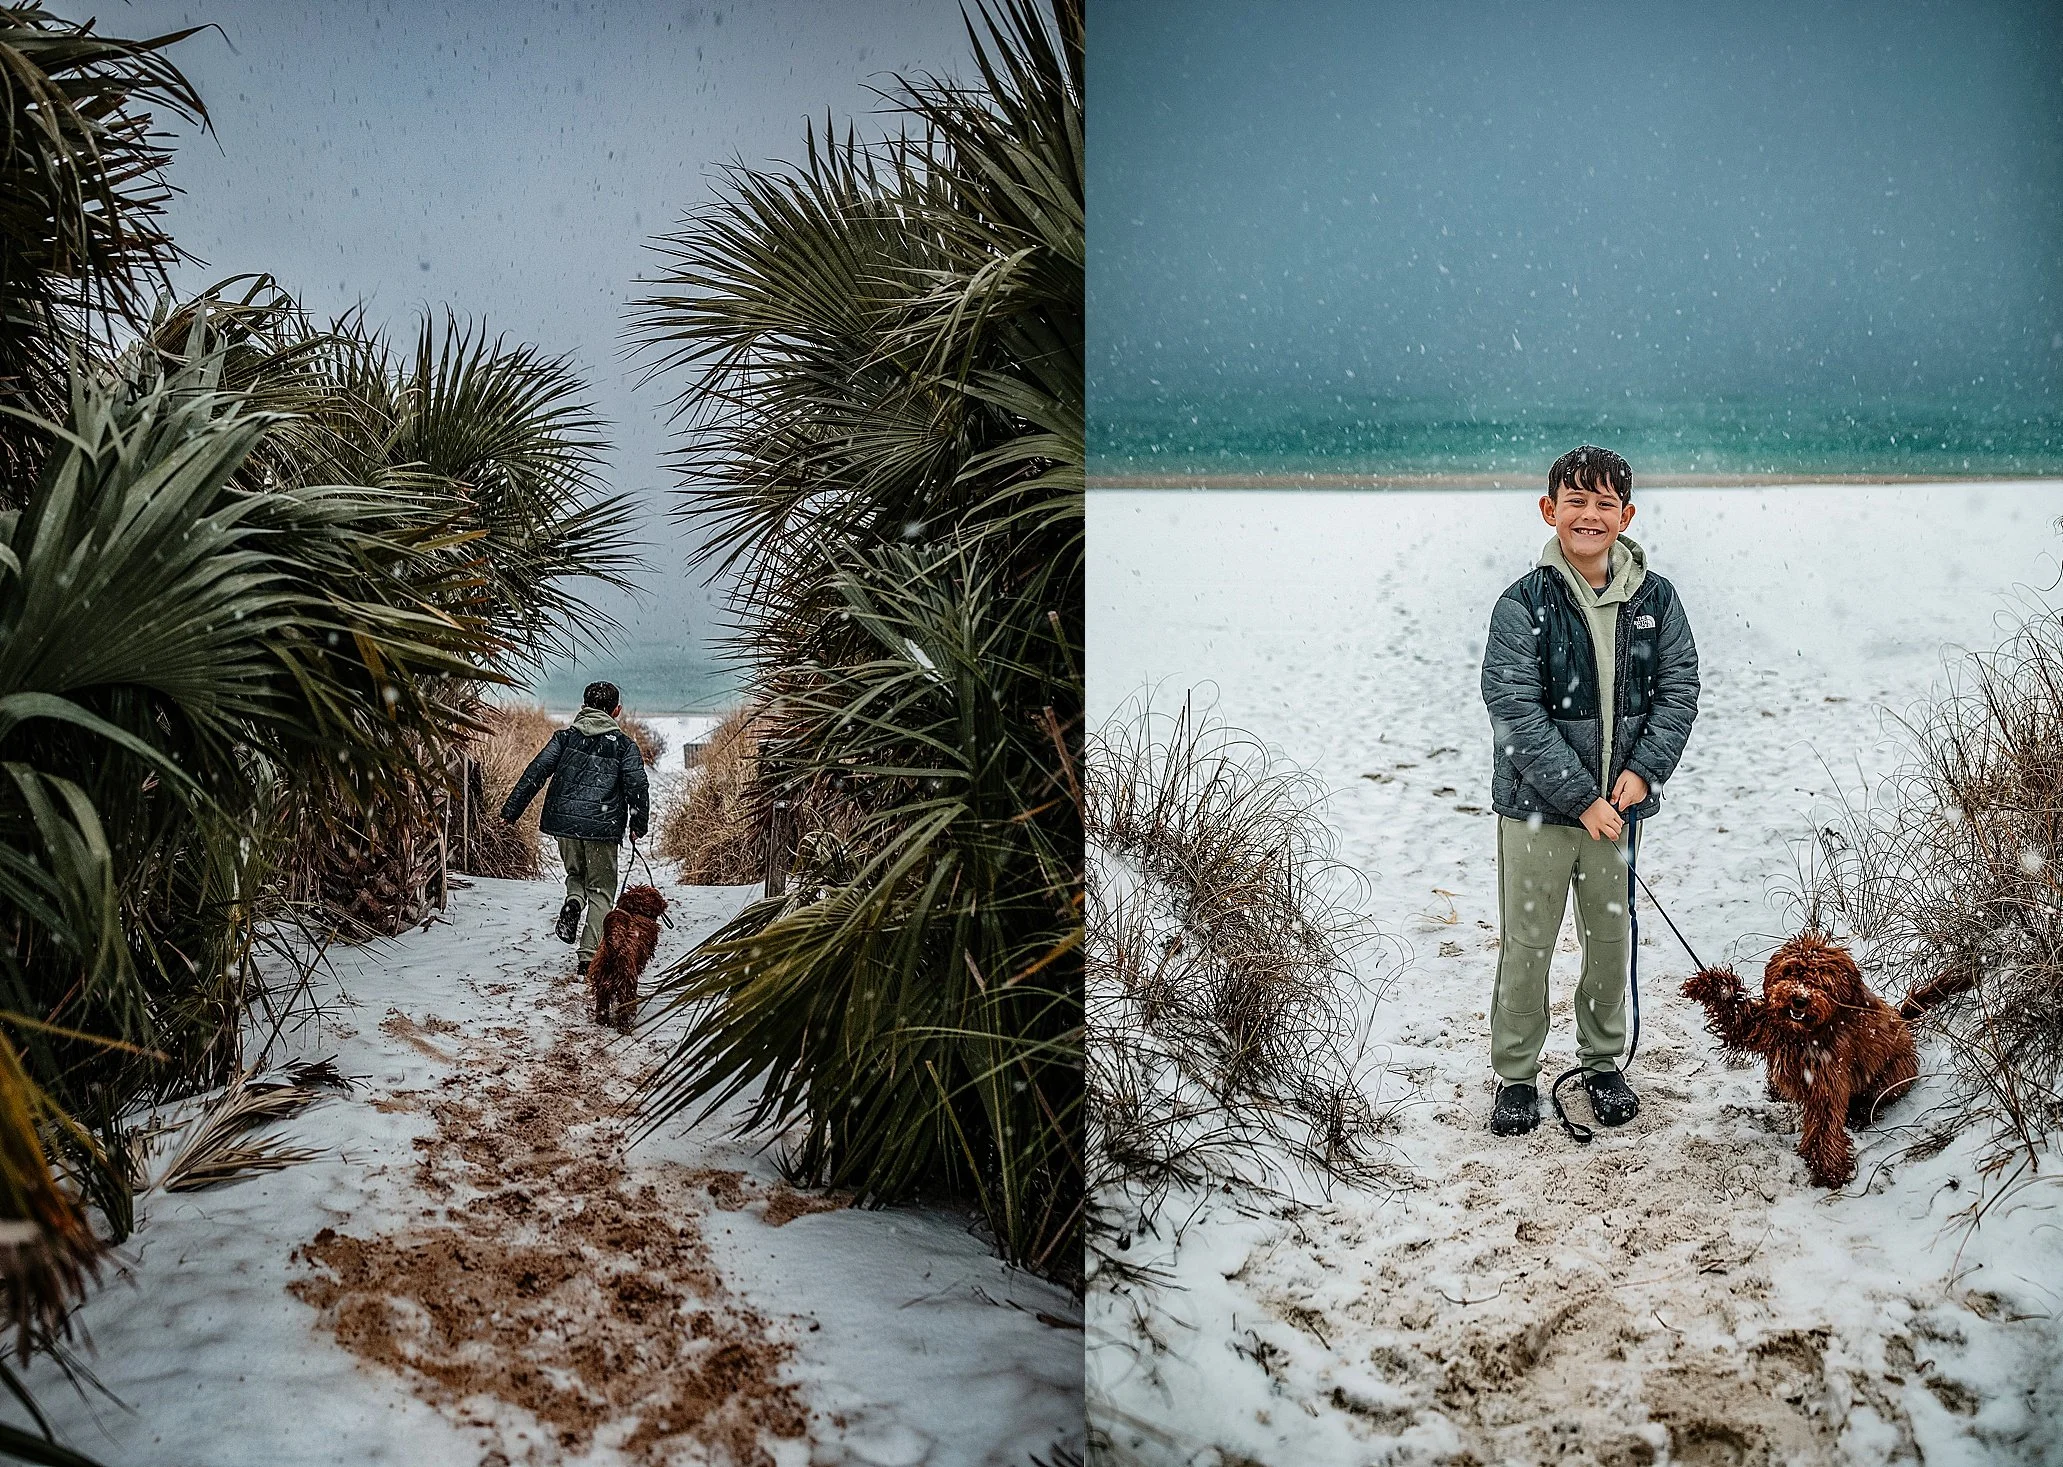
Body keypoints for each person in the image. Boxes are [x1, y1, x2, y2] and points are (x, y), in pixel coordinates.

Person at [1478, 445, 1700, 1136]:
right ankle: (1516, 1075)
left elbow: (1679, 690)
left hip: (1621, 808)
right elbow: (1513, 709)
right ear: (1549, 510)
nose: (1589, 515)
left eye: (1605, 503)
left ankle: (1602, 1062)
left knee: (1608, 939)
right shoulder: (1523, 603)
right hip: (1536, 812)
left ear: (1625, 515)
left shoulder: (1654, 599)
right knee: (1528, 942)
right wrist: (1579, 797)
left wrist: (1642, 773)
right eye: (1575, 501)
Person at [500, 681, 650, 970]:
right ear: (616, 711)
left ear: (583, 707)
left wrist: (511, 811)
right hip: (602, 828)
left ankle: (573, 902)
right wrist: (638, 824)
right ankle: (587, 957)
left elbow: (536, 771)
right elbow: (637, 786)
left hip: (566, 825)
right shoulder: (624, 746)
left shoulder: (565, 738)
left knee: (576, 874)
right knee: (602, 890)